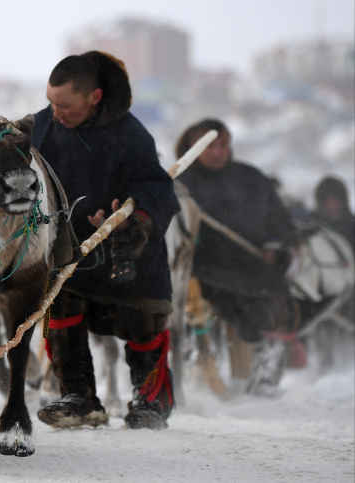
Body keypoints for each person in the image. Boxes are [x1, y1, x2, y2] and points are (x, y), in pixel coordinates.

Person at [31, 51, 181, 430]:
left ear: (94, 97)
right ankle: (79, 397)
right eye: (51, 101)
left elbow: (156, 188)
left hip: (126, 247)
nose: (56, 111)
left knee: (141, 320)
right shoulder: (43, 128)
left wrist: (134, 219)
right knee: (61, 307)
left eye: (65, 104)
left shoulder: (132, 135)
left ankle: (150, 399)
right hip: (70, 248)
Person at [175, 118, 298, 396]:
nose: (218, 151)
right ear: (192, 146)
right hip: (200, 268)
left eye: (223, 144)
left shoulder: (252, 178)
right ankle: (194, 371)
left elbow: (280, 221)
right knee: (186, 307)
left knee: (280, 305)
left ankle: (264, 379)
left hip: (250, 266)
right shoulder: (179, 184)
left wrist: (275, 246)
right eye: (209, 146)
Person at [313, 176, 355, 249]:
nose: (334, 205)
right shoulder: (312, 227)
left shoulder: (352, 228)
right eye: (329, 202)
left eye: (337, 201)